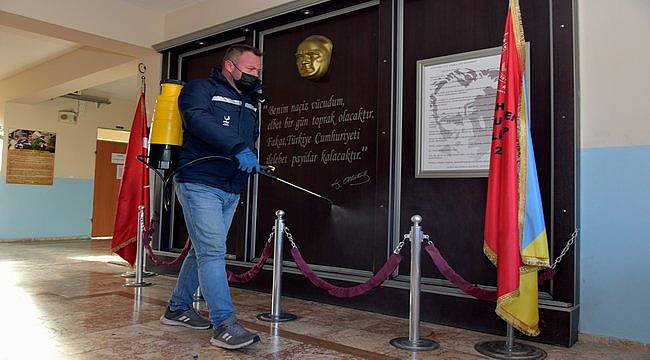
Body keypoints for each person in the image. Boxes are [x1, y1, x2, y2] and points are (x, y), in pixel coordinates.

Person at [160, 44, 263, 350]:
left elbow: (249, 139)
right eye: (250, 69)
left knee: (202, 250)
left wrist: (251, 158)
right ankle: (225, 324)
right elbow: (197, 120)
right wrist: (237, 149)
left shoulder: (251, 102)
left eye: (258, 70)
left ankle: (178, 308)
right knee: (213, 252)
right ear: (230, 66)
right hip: (199, 181)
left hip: (230, 186)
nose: (255, 75)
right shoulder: (200, 89)